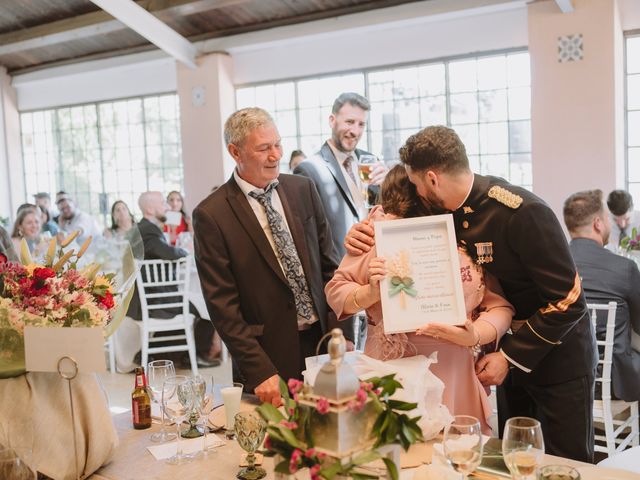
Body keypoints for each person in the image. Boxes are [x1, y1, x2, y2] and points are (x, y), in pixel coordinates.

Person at [344, 126, 596, 462]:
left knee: (565, 463)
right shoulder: (444, 213)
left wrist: (509, 356)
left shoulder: (521, 211)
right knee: (515, 458)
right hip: (502, 354)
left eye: (417, 184)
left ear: (432, 179)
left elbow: (568, 301)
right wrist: (362, 232)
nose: (415, 193)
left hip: (556, 356)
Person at [325, 165, 514, 433]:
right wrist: (369, 293)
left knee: (456, 459)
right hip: (391, 370)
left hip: (455, 370)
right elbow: (336, 291)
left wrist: (475, 335)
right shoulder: (375, 235)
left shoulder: (464, 237)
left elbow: (499, 305)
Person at [193, 107, 339, 406]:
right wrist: (259, 370)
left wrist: (342, 331)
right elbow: (223, 306)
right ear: (236, 152)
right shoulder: (212, 214)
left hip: (322, 342)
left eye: (277, 144)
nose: (275, 155)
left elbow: (329, 265)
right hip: (268, 356)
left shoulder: (302, 189)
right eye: (263, 148)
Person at [294, 92, 388, 347]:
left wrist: (387, 184)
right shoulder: (309, 169)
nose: (354, 130)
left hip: (375, 282)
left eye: (360, 124)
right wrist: (338, 322)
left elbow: (383, 215)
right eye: (349, 122)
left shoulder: (371, 161)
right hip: (340, 286)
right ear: (332, 120)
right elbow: (314, 249)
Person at [127, 191, 222, 368]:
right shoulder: (147, 231)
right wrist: (185, 251)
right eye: (162, 202)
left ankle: (149, 356)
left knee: (192, 305)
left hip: (151, 296)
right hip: (154, 299)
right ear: (149, 209)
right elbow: (169, 253)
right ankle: (198, 354)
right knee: (207, 303)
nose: (167, 206)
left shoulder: (145, 228)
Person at [564, 189, 640, 402]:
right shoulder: (625, 267)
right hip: (615, 382)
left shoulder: (555, 265)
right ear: (598, 223)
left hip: (567, 375)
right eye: (608, 218)